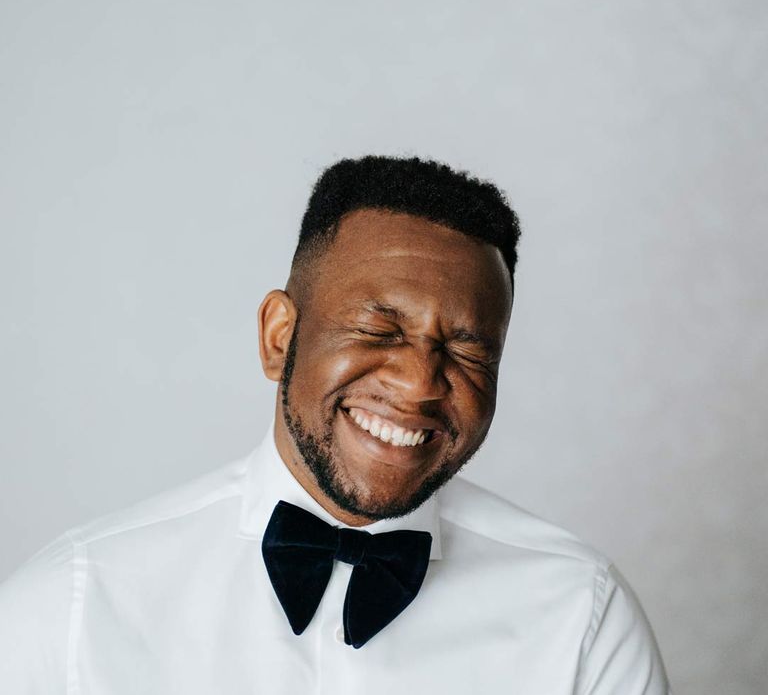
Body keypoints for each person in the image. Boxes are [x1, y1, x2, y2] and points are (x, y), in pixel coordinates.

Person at [0, 156, 670, 693]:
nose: (418, 383)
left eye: (467, 350)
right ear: (278, 338)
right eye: (378, 328)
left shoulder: (582, 615)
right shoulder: (75, 606)